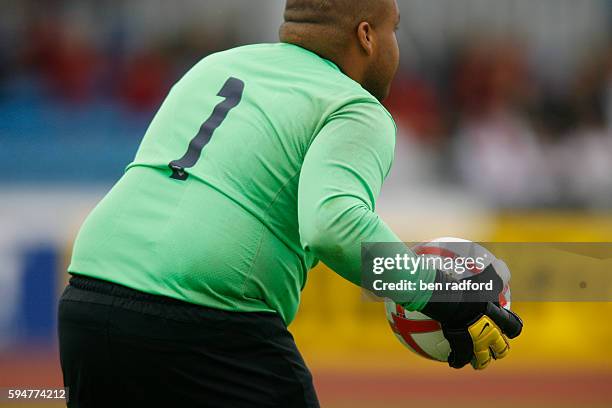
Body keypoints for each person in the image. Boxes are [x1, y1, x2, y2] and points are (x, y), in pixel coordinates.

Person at [58, 1, 522, 407]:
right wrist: (440, 292)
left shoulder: (216, 65)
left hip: (89, 298)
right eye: (393, 30)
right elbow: (333, 226)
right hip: (207, 316)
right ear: (366, 36)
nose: (395, 48)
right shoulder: (354, 105)